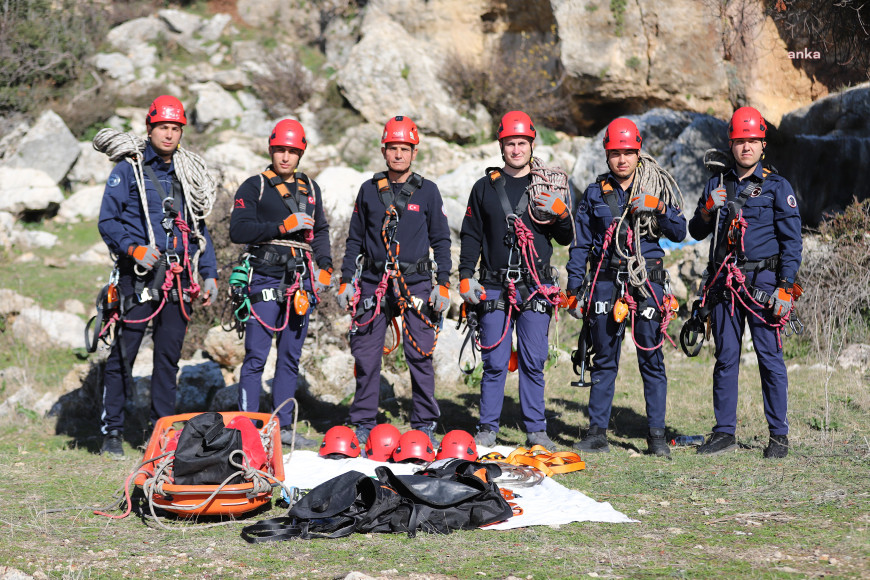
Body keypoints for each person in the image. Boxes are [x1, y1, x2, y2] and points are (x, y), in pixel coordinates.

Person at [97, 95, 219, 458]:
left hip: (179, 280)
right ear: (150, 129)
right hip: (138, 278)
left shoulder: (185, 174)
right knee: (124, 354)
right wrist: (133, 249)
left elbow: (199, 229)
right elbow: (107, 220)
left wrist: (209, 273)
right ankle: (112, 432)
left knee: (168, 360)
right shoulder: (126, 170)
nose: (169, 134)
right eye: (163, 127)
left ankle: (160, 431)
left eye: (175, 128)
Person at [566, 118, 686, 456]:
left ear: (638, 153)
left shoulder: (655, 188)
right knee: (604, 358)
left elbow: (679, 231)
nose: (622, 159)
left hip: (646, 280)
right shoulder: (594, 192)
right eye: (616, 153)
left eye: (629, 153)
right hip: (605, 279)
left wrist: (658, 208)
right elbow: (579, 244)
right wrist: (575, 288)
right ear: (607, 155)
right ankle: (597, 433)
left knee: (651, 357)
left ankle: (657, 437)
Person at [688, 106, 802, 458]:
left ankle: (778, 437)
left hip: (764, 283)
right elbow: (695, 230)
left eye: (752, 141)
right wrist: (708, 207)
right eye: (740, 141)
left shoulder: (776, 186)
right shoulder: (716, 184)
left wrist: (786, 286)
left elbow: (792, 242)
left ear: (762, 145)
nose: (746, 147)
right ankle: (724, 433)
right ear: (731, 144)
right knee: (725, 357)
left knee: (770, 357)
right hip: (724, 282)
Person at [458, 110, 573, 449]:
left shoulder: (547, 188)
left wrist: (561, 212)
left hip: (536, 286)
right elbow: (470, 236)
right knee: (494, 361)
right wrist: (465, 278)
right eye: (510, 143)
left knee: (533, 360)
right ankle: (488, 428)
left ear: (531, 144)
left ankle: (536, 430)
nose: (516, 149)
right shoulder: (484, 189)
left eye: (522, 143)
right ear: (501, 145)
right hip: (494, 284)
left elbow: (565, 238)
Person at [337, 116, 452, 448]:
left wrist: (442, 283)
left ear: (413, 152)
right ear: (384, 150)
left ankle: (424, 422)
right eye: (393, 148)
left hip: (416, 282)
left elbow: (441, 241)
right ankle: (362, 421)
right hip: (374, 283)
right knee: (367, 355)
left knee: (419, 354)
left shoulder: (428, 191)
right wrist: (347, 281)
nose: (398, 155)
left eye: (404, 149)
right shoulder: (369, 190)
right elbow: (354, 240)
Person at [229, 119, 332, 448]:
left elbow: (323, 230)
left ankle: (283, 427)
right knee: (256, 356)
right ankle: (246, 427)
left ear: (300, 153)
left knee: (290, 356)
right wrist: (282, 225)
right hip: (264, 276)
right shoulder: (254, 186)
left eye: (291, 151)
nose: (285, 157)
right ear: (271, 149)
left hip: (300, 280)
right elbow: (239, 231)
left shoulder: (311, 190)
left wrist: (326, 264)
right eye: (279, 150)